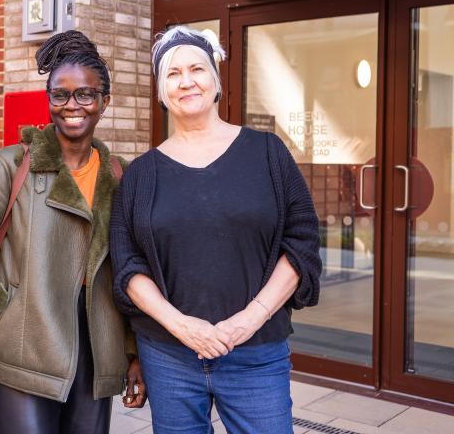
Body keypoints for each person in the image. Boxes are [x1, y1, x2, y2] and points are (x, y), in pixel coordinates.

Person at [110, 25, 322, 433]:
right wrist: (182, 326)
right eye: (172, 73)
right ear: (160, 90)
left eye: (197, 69)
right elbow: (127, 265)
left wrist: (248, 320)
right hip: (169, 356)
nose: (187, 81)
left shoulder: (267, 153)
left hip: (257, 351)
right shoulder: (141, 175)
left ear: (216, 80)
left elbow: (302, 243)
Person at [0, 30, 147, 434]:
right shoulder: (10, 165)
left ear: (104, 101)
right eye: (60, 94)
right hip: (26, 348)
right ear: (49, 98)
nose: (73, 105)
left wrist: (133, 351)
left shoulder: (121, 175)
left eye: (86, 94)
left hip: (97, 351)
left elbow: (132, 270)